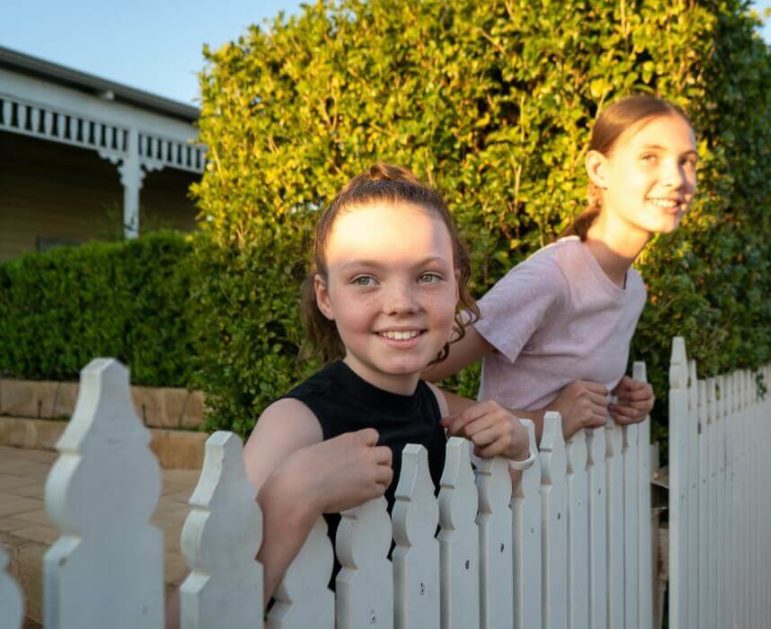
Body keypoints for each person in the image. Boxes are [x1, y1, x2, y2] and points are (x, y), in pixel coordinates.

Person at [166, 164, 532, 626]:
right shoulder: (296, 422)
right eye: (364, 279)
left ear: (456, 284)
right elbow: (187, 615)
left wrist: (517, 446)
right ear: (325, 296)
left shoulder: (436, 404)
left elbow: (487, 508)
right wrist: (293, 493)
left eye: (428, 276)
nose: (401, 302)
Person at [427, 94, 699, 442]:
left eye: (687, 161)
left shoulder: (634, 291)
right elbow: (401, 381)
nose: (677, 179)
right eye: (650, 157)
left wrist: (617, 397)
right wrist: (543, 421)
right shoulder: (551, 277)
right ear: (599, 170)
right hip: (505, 493)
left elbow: (566, 385)